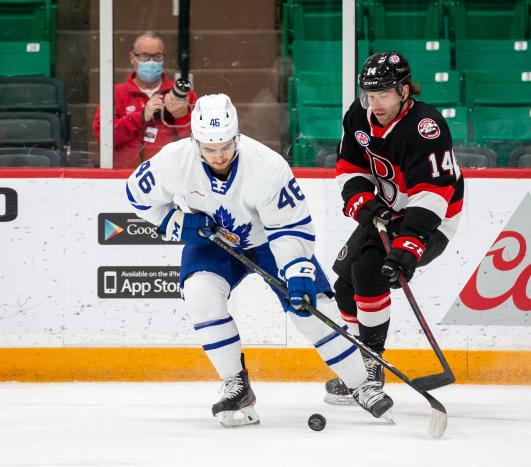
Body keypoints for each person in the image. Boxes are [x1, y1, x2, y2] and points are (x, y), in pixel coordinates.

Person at [125, 93, 394, 426]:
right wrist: (176, 222)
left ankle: (361, 385)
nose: (219, 155)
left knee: (311, 309)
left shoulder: (267, 166)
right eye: (210, 149)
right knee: (200, 295)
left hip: (269, 241)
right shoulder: (172, 161)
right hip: (215, 242)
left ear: (236, 136)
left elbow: (290, 227)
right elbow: (137, 196)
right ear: (195, 142)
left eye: (226, 145)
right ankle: (235, 383)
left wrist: (297, 273)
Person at [324, 51, 464, 404]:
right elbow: (348, 167)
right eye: (370, 95)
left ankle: (372, 365)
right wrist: (361, 200)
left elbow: (434, 194)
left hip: (431, 219)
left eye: (383, 94)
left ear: (404, 91)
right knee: (344, 283)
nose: (375, 103)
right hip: (387, 211)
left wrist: (409, 244)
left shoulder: (426, 127)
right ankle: (358, 365)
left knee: (369, 269)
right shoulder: (358, 115)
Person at [93, 31, 198, 169]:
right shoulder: (115, 94)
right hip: (123, 177)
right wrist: (141, 117)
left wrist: (183, 117)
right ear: (132, 58)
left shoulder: (183, 95)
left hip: (171, 177)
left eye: (157, 56)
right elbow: (103, 136)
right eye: (144, 56)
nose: (151, 62)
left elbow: (202, 142)